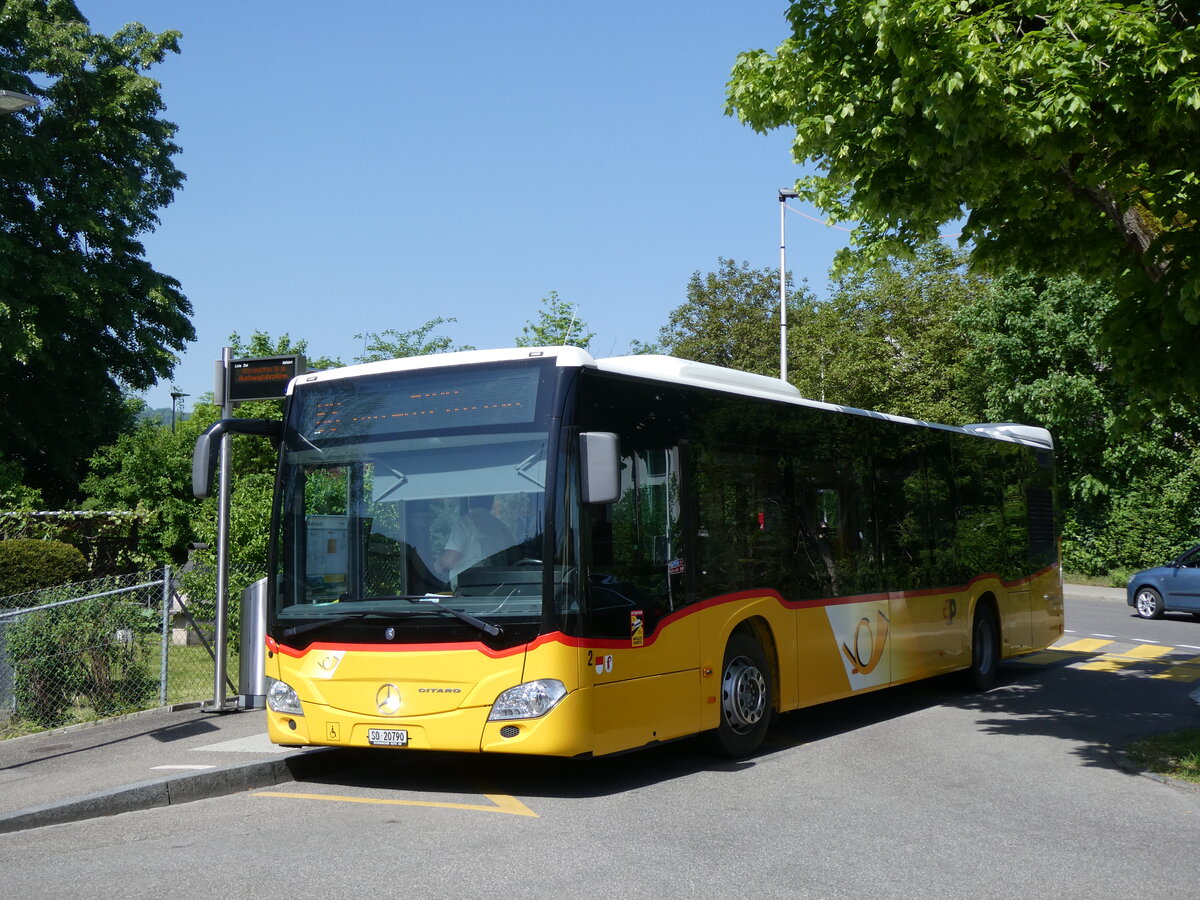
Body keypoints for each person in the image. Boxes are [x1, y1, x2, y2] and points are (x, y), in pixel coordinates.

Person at [436, 496, 516, 585]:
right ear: (491, 503)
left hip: (468, 587)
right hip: (499, 586)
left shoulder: (465, 522)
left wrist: (440, 563)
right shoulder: (502, 527)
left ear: (470, 501)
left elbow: (450, 560)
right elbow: (513, 558)